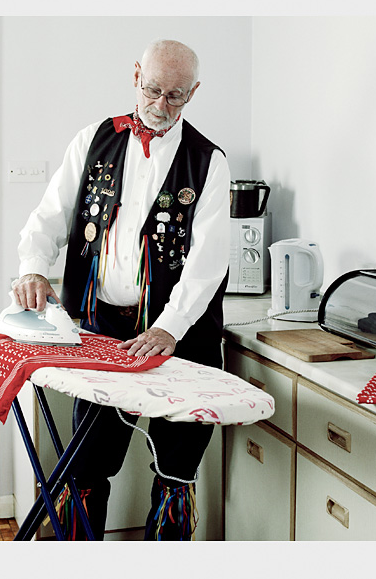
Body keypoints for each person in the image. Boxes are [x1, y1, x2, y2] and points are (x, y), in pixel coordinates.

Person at [12, 39, 230, 540]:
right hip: (101, 328)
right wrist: (31, 267)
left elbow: (207, 264)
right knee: (87, 462)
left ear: (193, 92)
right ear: (136, 75)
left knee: (176, 466)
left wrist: (169, 328)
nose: (159, 106)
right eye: (152, 89)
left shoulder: (210, 162)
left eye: (175, 96)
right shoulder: (93, 139)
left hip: (180, 338)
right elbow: (48, 216)